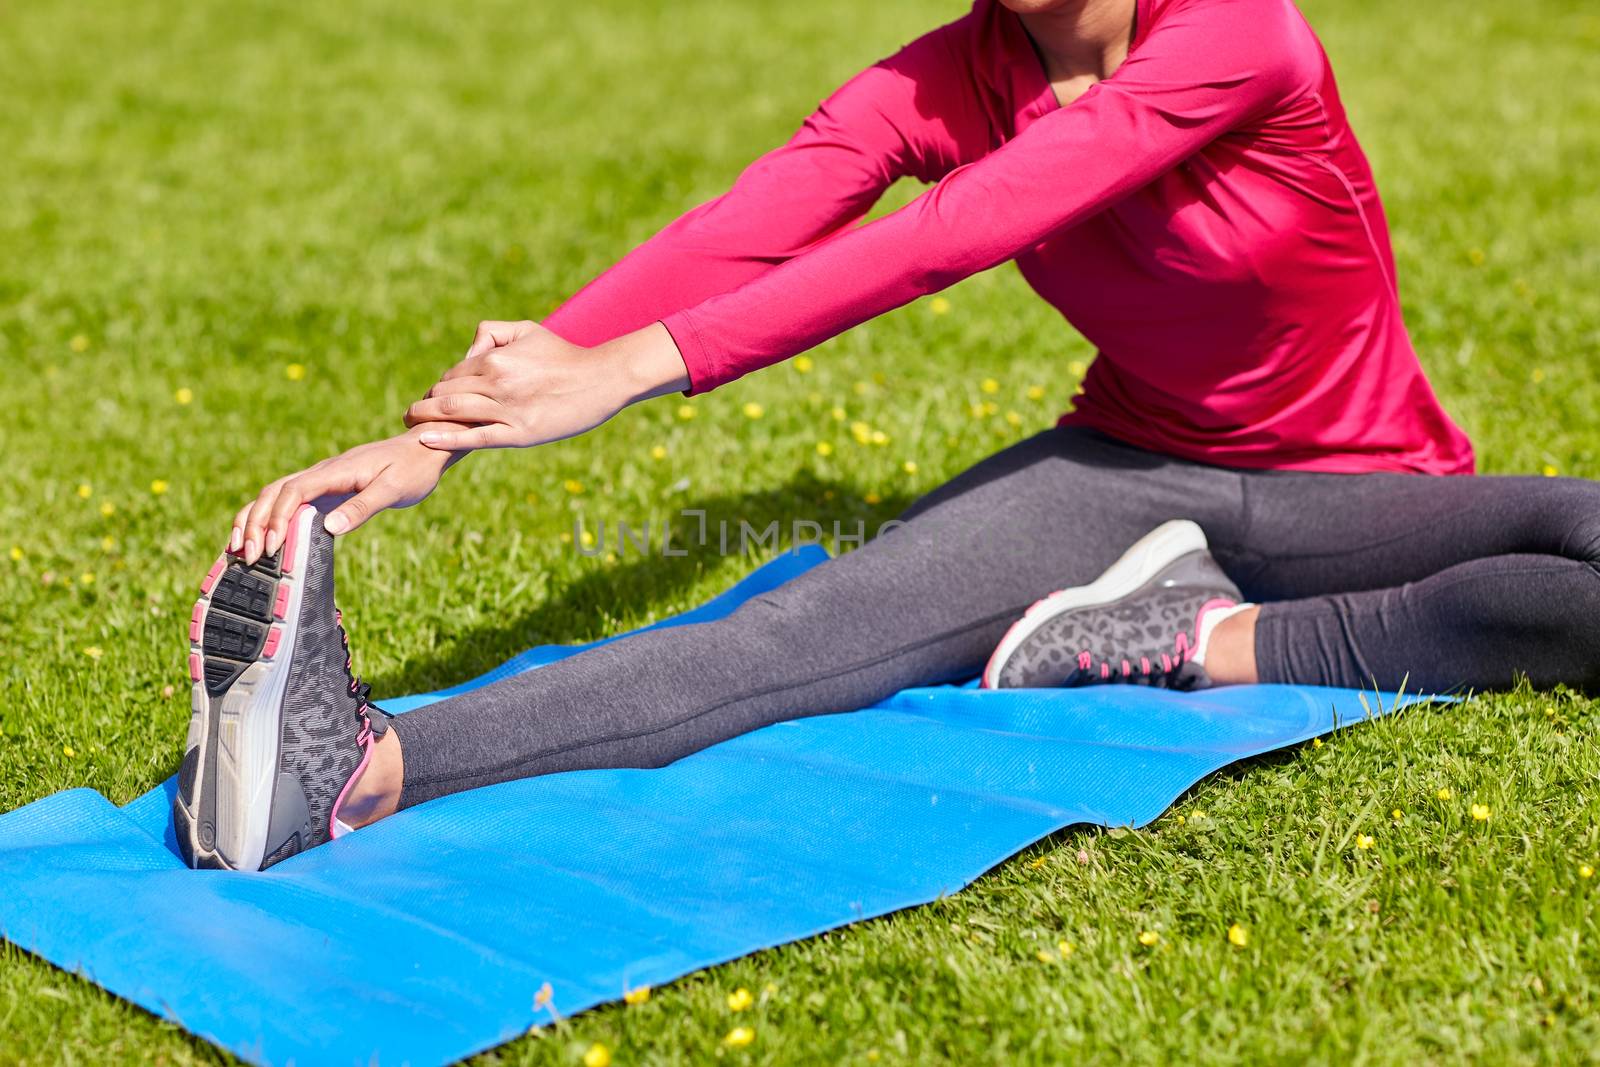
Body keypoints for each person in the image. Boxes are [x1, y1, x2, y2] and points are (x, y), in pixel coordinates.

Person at [172, 0, 1600, 871]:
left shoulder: (1236, 31)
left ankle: (1202, 643)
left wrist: (639, 371)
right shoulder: (941, 79)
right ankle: (356, 766)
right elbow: (754, 225)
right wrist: (444, 436)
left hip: (1368, 487)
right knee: (803, 633)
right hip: (1125, 462)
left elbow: (962, 232)